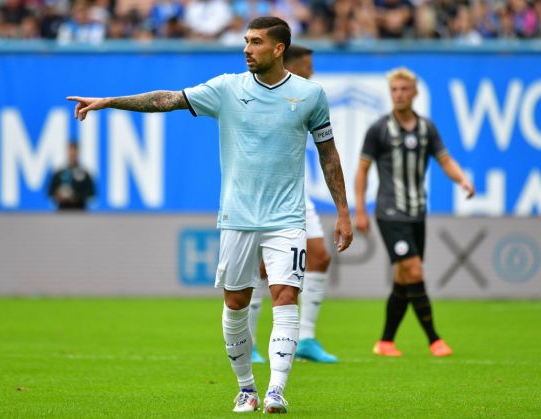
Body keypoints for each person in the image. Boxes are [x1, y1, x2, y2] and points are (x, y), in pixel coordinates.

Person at [67, 16, 353, 414]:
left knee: (286, 295)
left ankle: (276, 391)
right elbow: (168, 99)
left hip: (286, 218)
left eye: (255, 42)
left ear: (278, 48)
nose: (246, 48)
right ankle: (246, 388)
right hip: (236, 217)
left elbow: (328, 153)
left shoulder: (309, 95)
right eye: (245, 41)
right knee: (236, 302)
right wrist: (111, 101)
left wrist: (343, 210)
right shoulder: (226, 89)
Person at [354, 67, 474, 358]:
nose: (398, 95)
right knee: (414, 270)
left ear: (415, 93)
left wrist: (462, 179)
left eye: (404, 89)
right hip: (390, 212)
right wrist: (360, 210)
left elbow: (444, 160)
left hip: (417, 211)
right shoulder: (379, 129)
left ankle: (385, 341)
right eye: (394, 90)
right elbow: (362, 171)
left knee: (404, 277)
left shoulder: (426, 128)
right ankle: (434, 339)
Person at [248, 45, 338, 365]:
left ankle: (307, 339)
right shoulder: (263, 95)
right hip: (264, 196)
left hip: (297, 192)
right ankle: (251, 345)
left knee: (320, 256)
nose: (312, 73)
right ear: (292, 64)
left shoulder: (307, 98)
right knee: (261, 269)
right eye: (308, 68)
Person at [48, 142, 96, 210]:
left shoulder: (84, 174)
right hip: (62, 211)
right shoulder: (59, 173)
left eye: (74, 151)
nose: (72, 154)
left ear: (78, 152)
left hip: (79, 211)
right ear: (67, 152)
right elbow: (50, 191)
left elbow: (92, 193)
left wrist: (77, 197)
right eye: (70, 151)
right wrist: (58, 195)